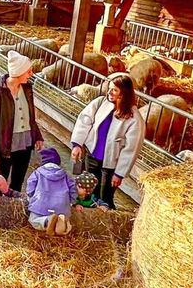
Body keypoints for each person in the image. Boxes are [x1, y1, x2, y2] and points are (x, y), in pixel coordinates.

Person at [69, 73, 143, 209]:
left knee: (105, 198)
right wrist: (77, 144)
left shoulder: (134, 118)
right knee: (88, 193)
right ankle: (88, 218)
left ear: (124, 93)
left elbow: (131, 148)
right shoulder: (100, 103)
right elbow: (84, 120)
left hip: (110, 166)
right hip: (92, 156)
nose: (109, 92)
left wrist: (119, 173)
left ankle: (105, 220)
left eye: (114, 90)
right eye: (109, 88)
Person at [0, 51, 44, 192]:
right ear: (19, 72)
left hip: (25, 142)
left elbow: (30, 116)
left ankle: (15, 203)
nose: (31, 74)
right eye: (28, 71)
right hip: (5, 143)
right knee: (0, 182)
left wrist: (37, 135)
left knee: (18, 181)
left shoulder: (27, 88)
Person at [25, 147, 76, 236]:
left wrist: (31, 197)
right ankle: (61, 224)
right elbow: (73, 189)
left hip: (41, 204)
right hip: (61, 205)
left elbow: (30, 186)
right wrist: (72, 202)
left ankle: (47, 221)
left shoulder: (38, 172)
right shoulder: (65, 175)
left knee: (33, 220)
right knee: (64, 216)